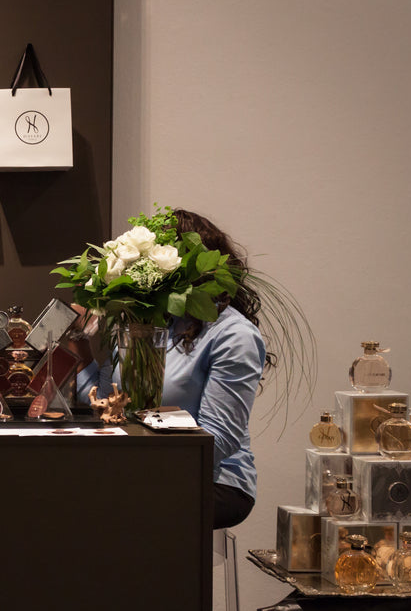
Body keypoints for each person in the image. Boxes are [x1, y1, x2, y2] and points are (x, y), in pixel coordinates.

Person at [75, 209, 272, 529]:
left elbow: (218, 439)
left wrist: (134, 470)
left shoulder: (233, 335)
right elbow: (108, 407)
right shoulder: (137, 322)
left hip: (214, 480)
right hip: (136, 469)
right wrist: (78, 351)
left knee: (99, 505)